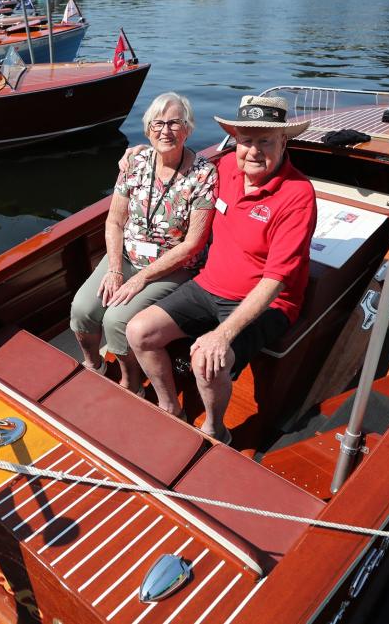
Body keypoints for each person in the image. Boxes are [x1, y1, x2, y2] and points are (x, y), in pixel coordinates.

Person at [125, 95, 317, 443]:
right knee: (139, 331)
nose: (253, 151)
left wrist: (222, 334)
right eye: (246, 141)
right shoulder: (226, 166)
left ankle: (216, 430)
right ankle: (170, 407)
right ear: (236, 142)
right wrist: (141, 153)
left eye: (265, 141)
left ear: (283, 142)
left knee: (206, 360)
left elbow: (275, 281)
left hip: (267, 303)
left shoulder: (298, 194)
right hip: (208, 285)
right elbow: (180, 162)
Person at [70, 93, 217, 395]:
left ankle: (131, 383)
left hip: (171, 265)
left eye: (175, 123)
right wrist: (114, 270)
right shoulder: (135, 162)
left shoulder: (204, 174)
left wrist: (139, 279)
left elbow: (192, 245)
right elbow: (114, 221)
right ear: (148, 129)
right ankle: (93, 364)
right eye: (158, 123)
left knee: (116, 319)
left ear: (187, 128)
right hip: (126, 255)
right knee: (83, 308)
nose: (166, 131)